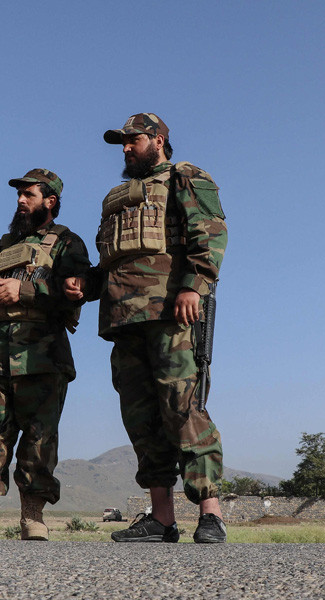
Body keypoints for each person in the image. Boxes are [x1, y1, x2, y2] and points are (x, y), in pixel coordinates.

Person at [64, 113, 228, 543]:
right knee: (141, 418)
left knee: (183, 408)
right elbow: (109, 262)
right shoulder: (115, 197)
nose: (125, 148)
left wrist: (194, 286)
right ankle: (162, 518)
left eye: (132, 140)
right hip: (122, 320)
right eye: (121, 142)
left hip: (172, 313)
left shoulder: (183, 176)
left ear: (157, 139)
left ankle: (210, 513)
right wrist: (86, 285)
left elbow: (209, 234)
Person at [0, 169, 90, 541]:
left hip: (42, 355)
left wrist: (22, 290)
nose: (21, 201)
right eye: (19, 196)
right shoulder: (3, 245)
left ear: (50, 201)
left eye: (29, 195)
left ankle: (33, 516)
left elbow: (75, 289)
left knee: (40, 438)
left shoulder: (68, 243)